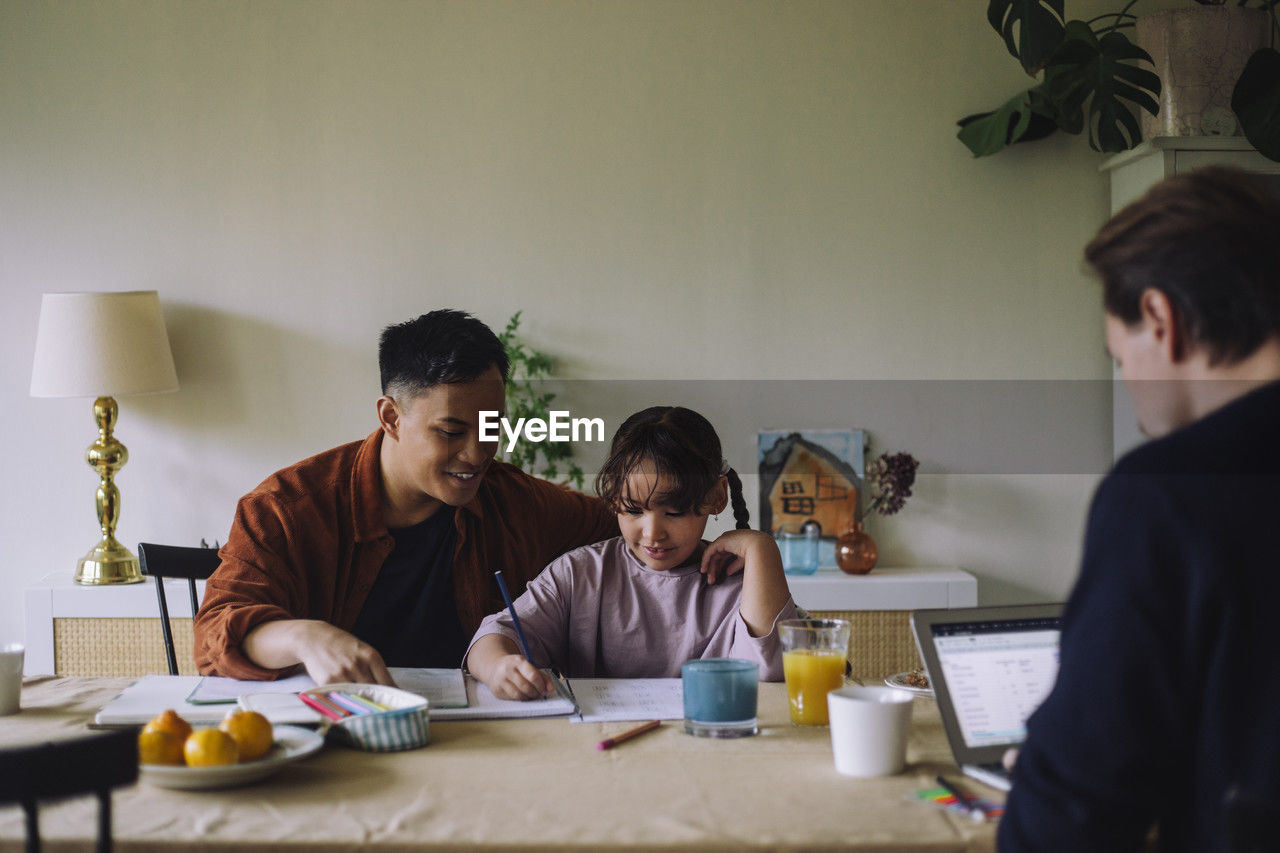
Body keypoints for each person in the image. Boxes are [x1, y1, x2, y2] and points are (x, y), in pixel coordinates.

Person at [1000, 168, 1280, 851]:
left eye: (1121, 357)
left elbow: (1072, 812)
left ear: (1161, 318)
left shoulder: (1168, 492)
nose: (1128, 384)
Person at [194, 310, 618, 685]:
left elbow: (624, 523)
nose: (477, 453)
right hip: (341, 736)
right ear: (391, 417)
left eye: (491, 427)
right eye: (451, 432)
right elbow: (214, 632)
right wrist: (303, 636)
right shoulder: (287, 508)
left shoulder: (515, 502)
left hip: (487, 739)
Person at [465, 405, 798, 700]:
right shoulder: (579, 574)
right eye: (633, 509)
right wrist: (498, 667)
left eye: (675, 512)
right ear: (613, 499)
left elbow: (772, 670)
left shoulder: (739, 585)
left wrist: (761, 546)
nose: (653, 532)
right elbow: (492, 635)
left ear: (715, 497)